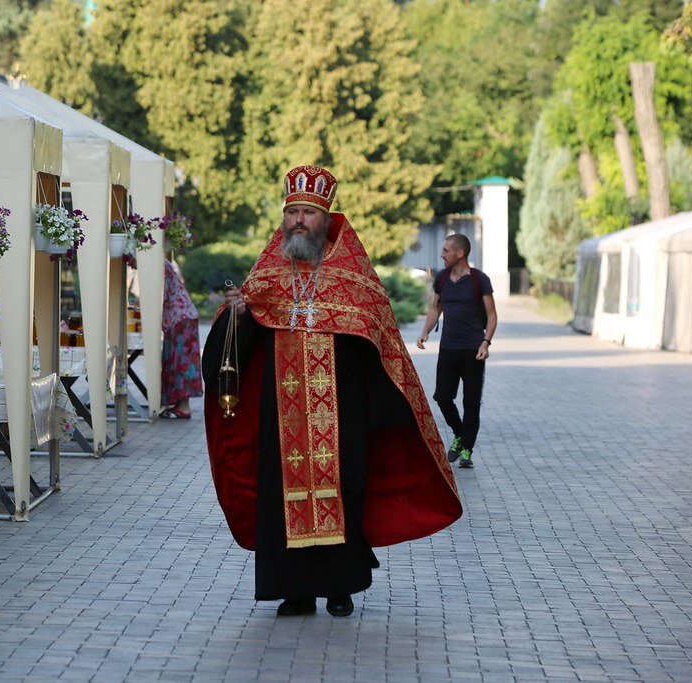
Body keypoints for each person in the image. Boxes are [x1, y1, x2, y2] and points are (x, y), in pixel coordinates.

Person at [202, 165, 462, 618]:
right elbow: (239, 348)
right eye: (293, 213)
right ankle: (295, 592)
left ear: (326, 219)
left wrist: (380, 412)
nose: (299, 221)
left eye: (308, 213)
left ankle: (339, 588)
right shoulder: (266, 276)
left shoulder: (354, 278)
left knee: (344, 492)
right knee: (280, 499)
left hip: (343, 414)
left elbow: (381, 343)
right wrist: (238, 317)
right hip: (281, 418)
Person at [416, 234, 497, 470]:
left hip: (473, 350)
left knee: (471, 402)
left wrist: (486, 343)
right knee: (442, 397)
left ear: (459, 253)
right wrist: (425, 331)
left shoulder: (479, 280)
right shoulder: (442, 278)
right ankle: (460, 434)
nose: (442, 254)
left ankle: (467, 450)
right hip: (448, 348)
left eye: (446, 250)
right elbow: (435, 308)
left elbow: (492, 314)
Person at [159, 257, 203, 419]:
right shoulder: (160, 262)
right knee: (178, 360)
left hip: (180, 319)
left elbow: (159, 296)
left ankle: (183, 406)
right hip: (180, 318)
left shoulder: (157, 265)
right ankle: (179, 404)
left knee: (181, 362)